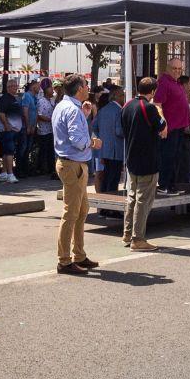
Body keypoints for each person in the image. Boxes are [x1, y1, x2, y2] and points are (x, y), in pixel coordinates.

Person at [50, 75, 102, 274]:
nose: (88, 88)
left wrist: (85, 115)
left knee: (81, 211)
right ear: (80, 88)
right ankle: (64, 260)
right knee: (72, 213)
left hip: (72, 163)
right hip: (73, 164)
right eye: (86, 85)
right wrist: (92, 142)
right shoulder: (72, 109)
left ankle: (78, 254)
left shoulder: (66, 106)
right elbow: (76, 139)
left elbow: (70, 131)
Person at [118, 75, 166, 251]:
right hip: (148, 159)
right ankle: (138, 239)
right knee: (143, 200)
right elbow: (163, 128)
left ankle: (127, 234)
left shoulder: (127, 105)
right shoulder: (149, 108)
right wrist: (160, 111)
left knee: (132, 197)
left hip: (131, 157)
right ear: (153, 91)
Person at [154, 57, 190, 193]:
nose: (177, 71)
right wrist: (163, 125)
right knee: (168, 156)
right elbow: (157, 104)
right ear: (168, 68)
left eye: (179, 69)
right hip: (169, 128)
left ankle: (171, 185)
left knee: (176, 157)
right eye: (174, 68)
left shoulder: (177, 83)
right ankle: (164, 185)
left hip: (180, 127)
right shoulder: (164, 82)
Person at [94, 83, 125, 195]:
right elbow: (119, 131)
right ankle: (111, 209)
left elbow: (94, 127)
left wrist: (103, 136)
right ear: (117, 96)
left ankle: (105, 207)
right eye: (122, 95)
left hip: (104, 149)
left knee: (106, 177)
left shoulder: (102, 110)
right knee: (113, 180)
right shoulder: (119, 111)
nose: (124, 98)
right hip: (116, 150)